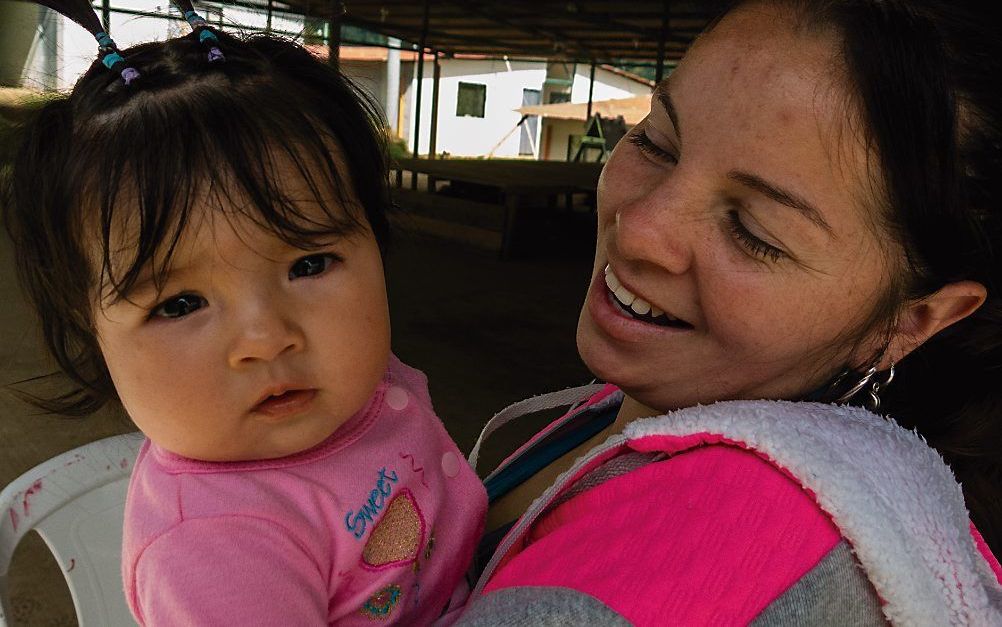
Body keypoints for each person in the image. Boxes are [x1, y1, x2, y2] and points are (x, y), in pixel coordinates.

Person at [456, 1, 1002, 624]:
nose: (637, 230)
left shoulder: (731, 534)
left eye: (753, 231)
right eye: (656, 142)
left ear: (911, 320)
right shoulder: (648, 404)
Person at [1, 2, 486, 624]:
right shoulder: (217, 551)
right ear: (91, 332)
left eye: (308, 265)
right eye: (180, 304)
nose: (267, 338)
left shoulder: (359, 382)